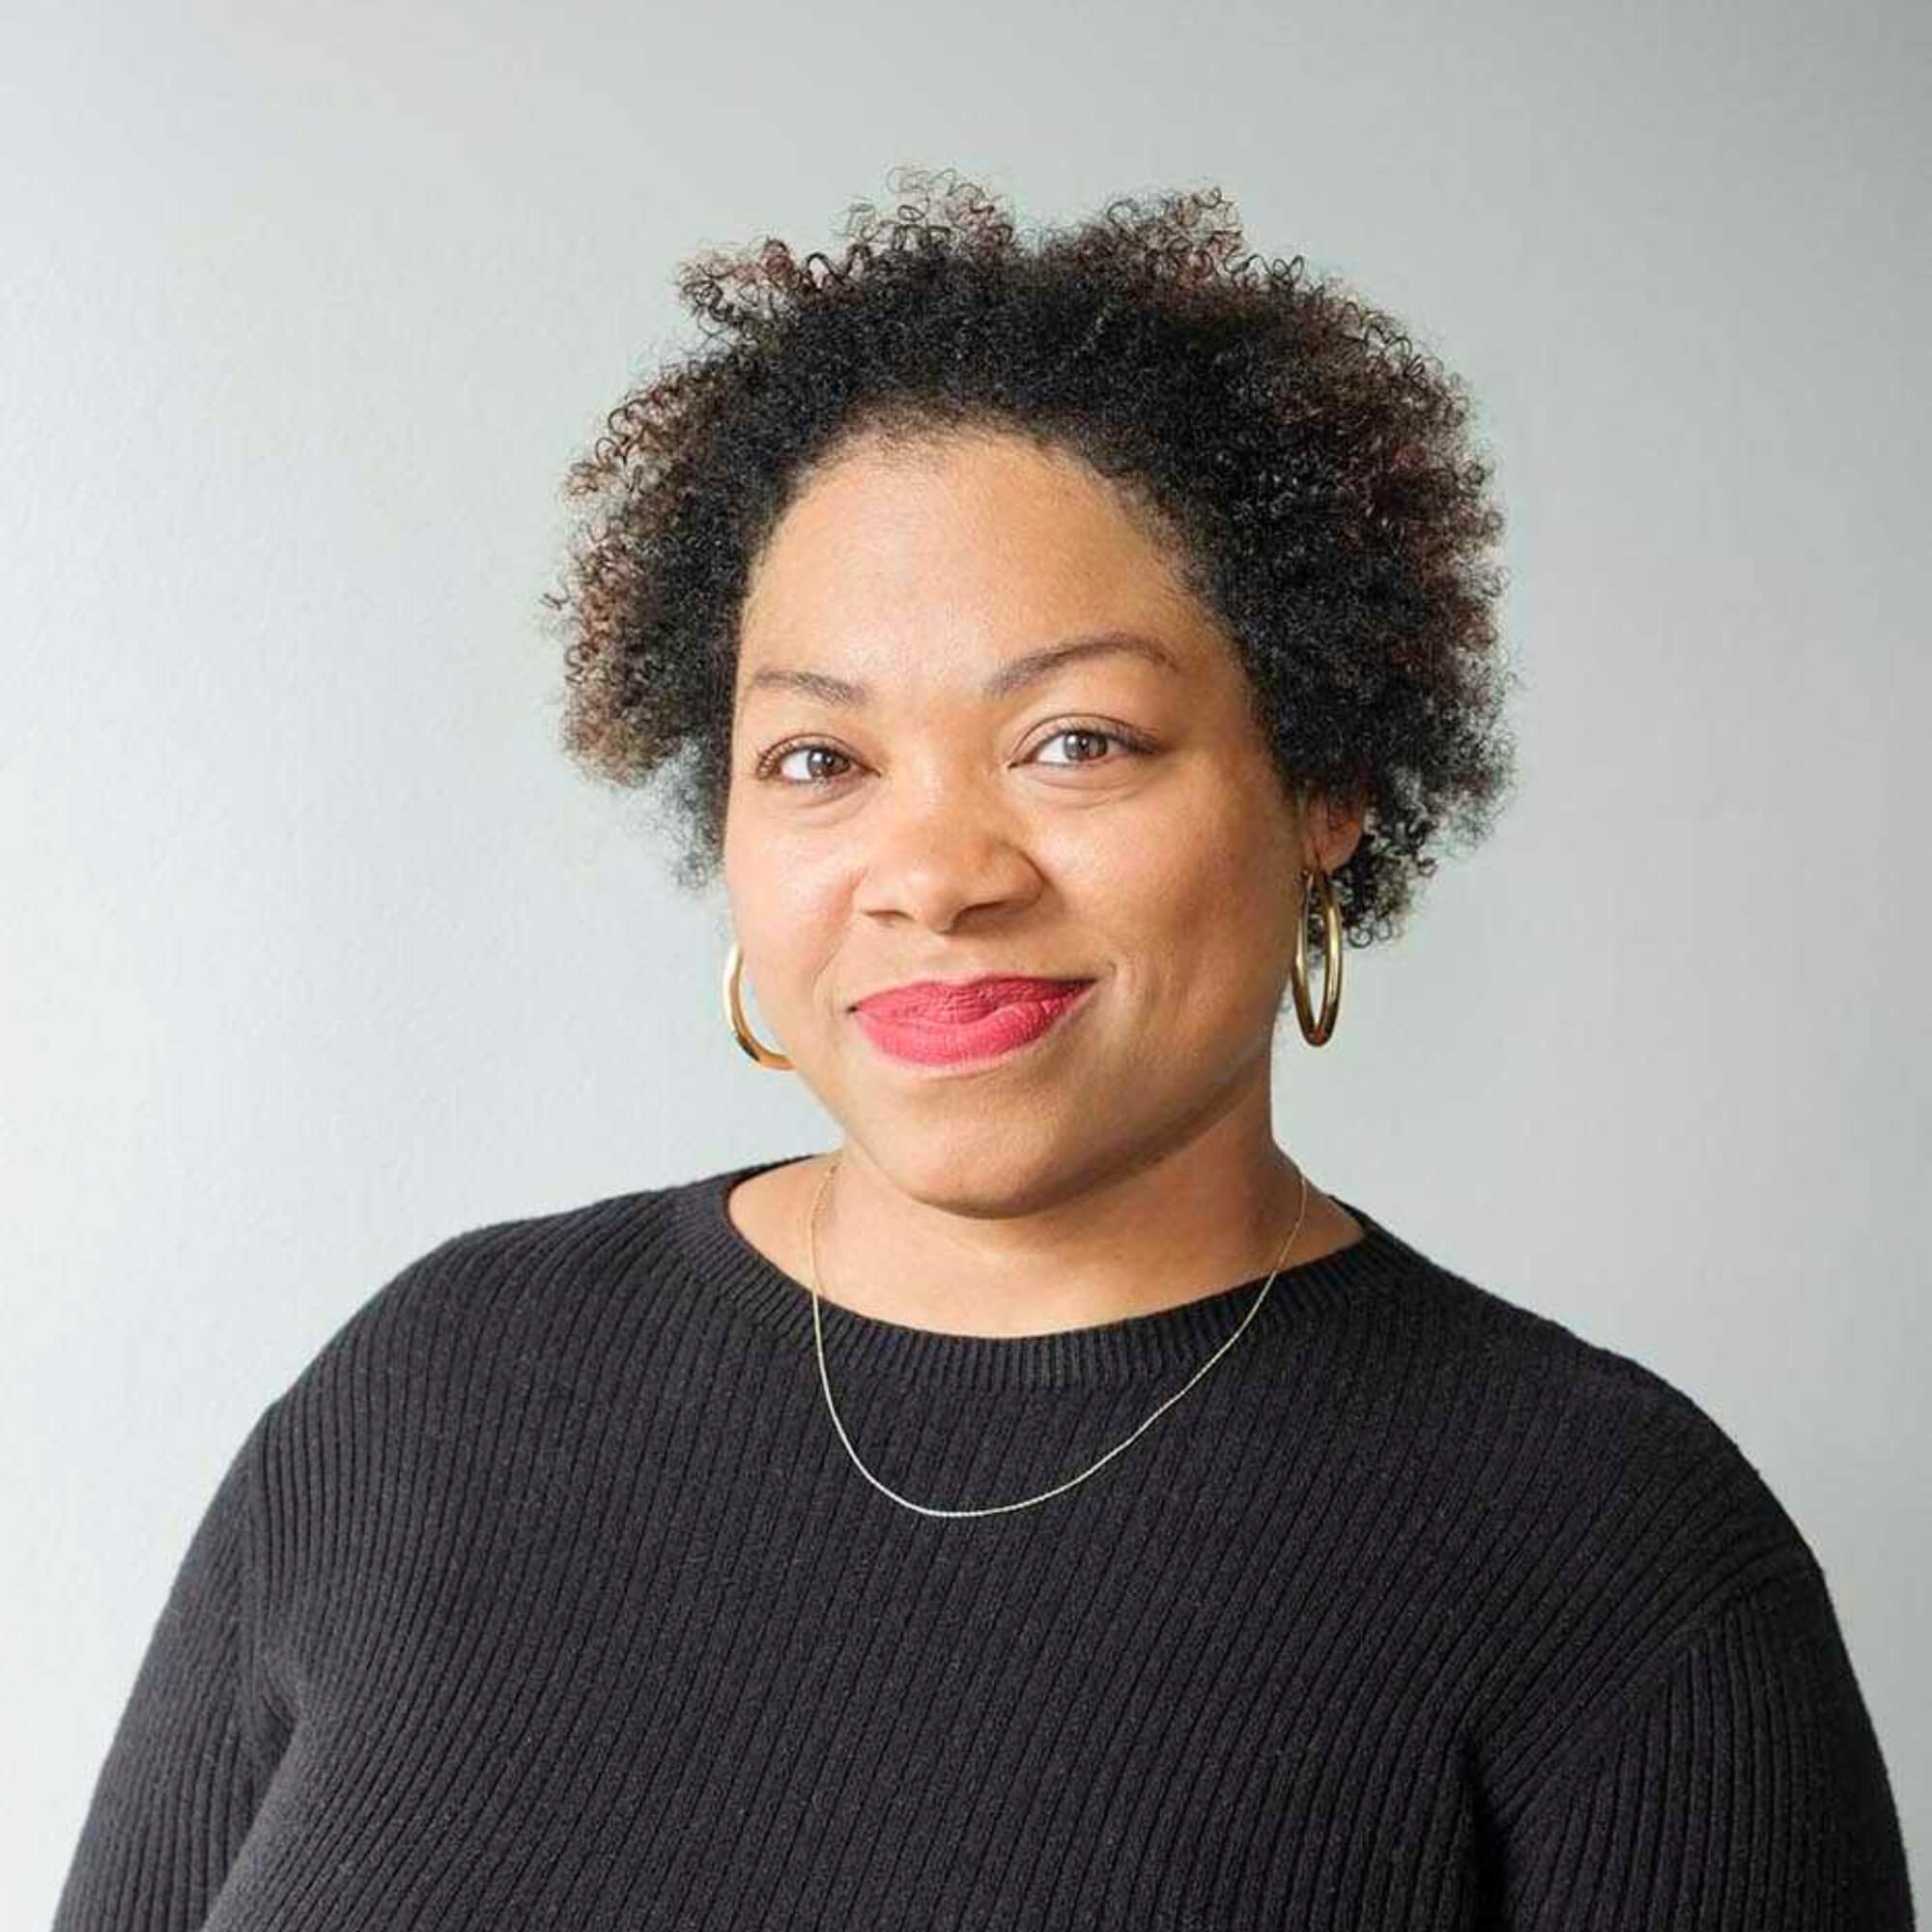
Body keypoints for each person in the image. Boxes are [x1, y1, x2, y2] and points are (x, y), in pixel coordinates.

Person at [54, 167, 1914, 1930]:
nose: (935, 875)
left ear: (1325, 786)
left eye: (1076, 742)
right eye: (820, 759)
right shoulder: (432, 1394)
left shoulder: (1611, 1560)